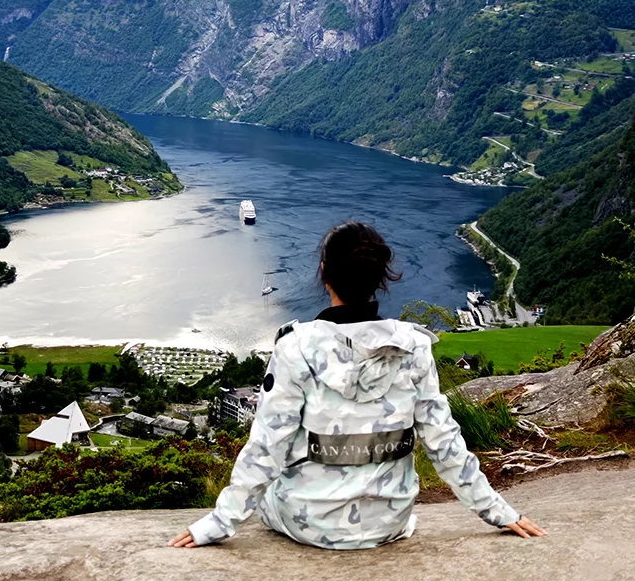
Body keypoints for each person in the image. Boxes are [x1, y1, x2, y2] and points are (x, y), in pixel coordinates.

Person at [169, 221, 546, 550]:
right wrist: (498, 511)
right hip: (388, 524)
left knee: (274, 483)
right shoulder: (412, 346)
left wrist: (219, 523)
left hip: (308, 526)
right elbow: (443, 442)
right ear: (379, 280)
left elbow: (267, 447)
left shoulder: (296, 347)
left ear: (324, 273)